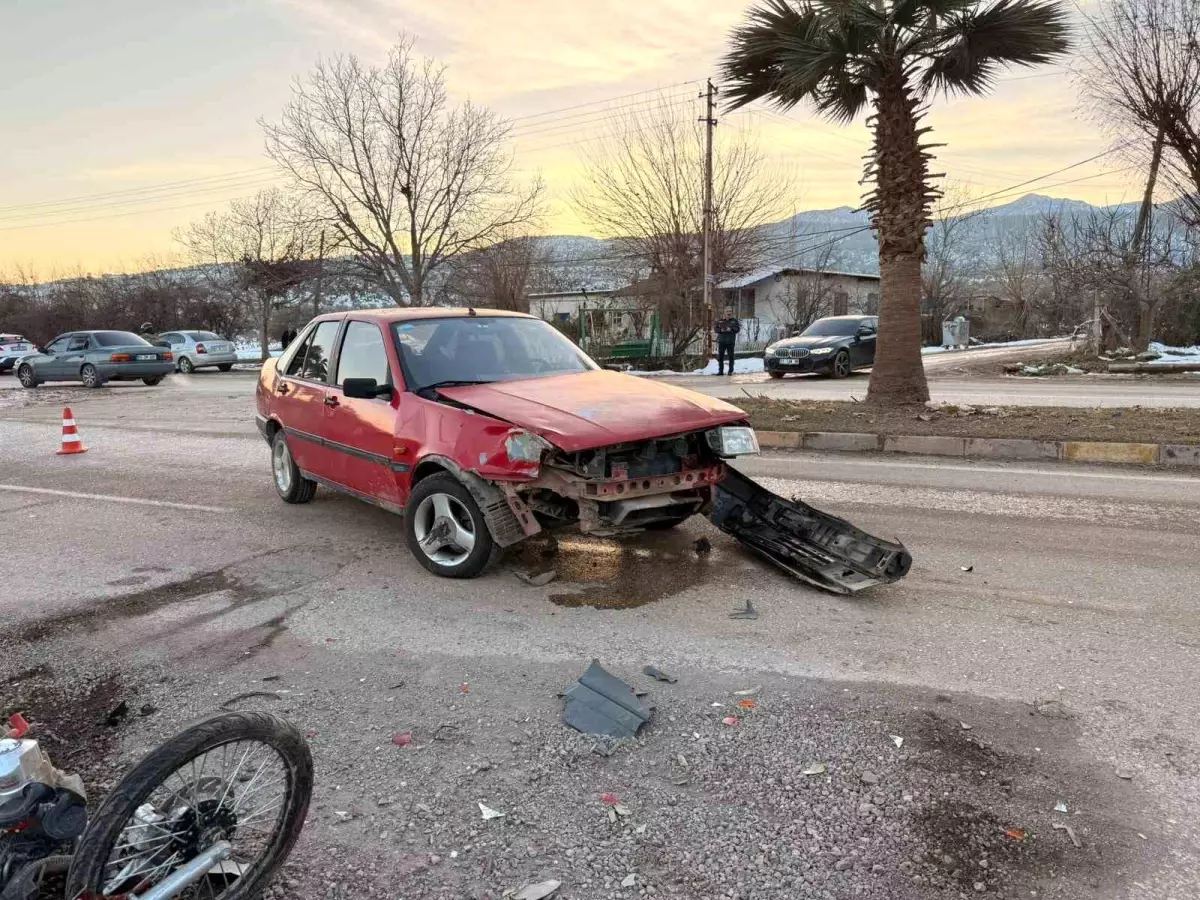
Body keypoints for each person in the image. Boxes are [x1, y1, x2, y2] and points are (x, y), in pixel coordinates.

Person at [714, 307, 741, 376]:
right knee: (720, 357)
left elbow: (737, 329)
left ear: (731, 312)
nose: (729, 313)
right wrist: (721, 330)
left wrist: (731, 329)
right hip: (722, 341)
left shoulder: (734, 321)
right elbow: (716, 329)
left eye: (730, 311)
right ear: (724, 312)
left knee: (731, 357)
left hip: (730, 342)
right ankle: (720, 371)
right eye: (727, 311)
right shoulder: (720, 321)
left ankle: (730, 371)